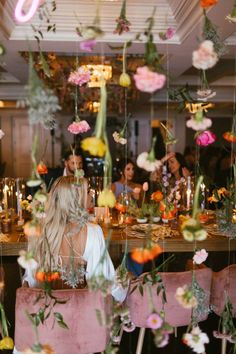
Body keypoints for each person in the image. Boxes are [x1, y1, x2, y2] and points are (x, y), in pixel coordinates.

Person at [23, 176, 127, 302]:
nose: (91, 196)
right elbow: (102, 280)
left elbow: (29, 282)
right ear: (76, 199)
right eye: (87, 191)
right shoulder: (92, 232)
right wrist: (123, 290)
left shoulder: (38, 231)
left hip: (46, 312)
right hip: (80, 312)